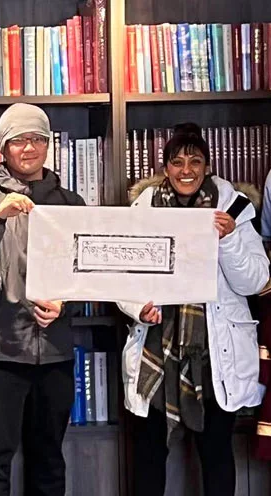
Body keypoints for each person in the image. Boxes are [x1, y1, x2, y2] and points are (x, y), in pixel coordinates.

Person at [118, 123, 269, 496]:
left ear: (207, 166)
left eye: (195, 161)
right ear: (165, 167)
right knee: (149, 454)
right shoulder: (144, 208)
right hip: (158, 348)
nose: (186, 170)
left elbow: (255, 281)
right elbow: (121, 275)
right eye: (177, 162)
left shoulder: (234, 208)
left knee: (216, 452)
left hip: (216, 353)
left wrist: (229, 239)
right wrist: (139, 308)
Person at [0, 103, 84, 496]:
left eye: (37, 139)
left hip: (56, 353)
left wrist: (64, 305)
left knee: (50, 461)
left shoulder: (70, 203)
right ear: (2, 147)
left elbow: (87, 273)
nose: (29, 147)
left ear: (48, 144)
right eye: (18, 140)